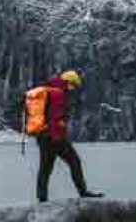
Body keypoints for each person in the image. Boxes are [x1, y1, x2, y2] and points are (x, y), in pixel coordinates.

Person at [28, 70, 104, 203]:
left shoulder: (49, 89)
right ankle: (83, 192)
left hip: (42, 136)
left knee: (45, 168)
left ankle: (42, 198)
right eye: (73, 85)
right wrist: (58, 136)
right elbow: (55, 117)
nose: (73, 89)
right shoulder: (59, 93)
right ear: (68, 82)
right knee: (74, 161)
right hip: (54, 136)